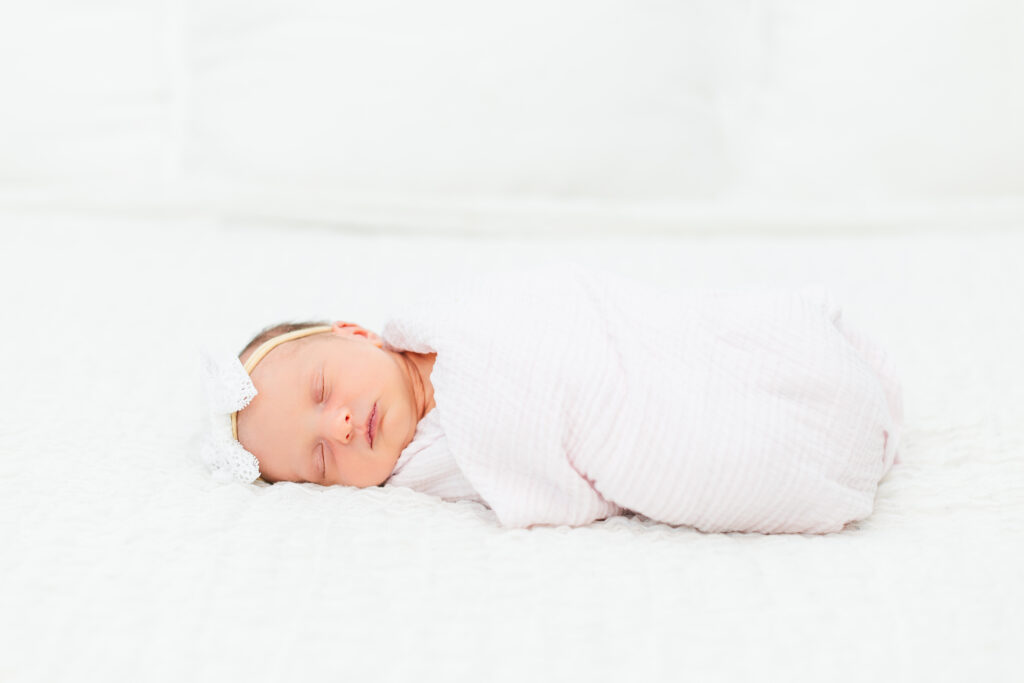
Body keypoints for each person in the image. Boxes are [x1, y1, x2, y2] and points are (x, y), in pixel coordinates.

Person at [203, 264, 903, 533]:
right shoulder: (428, 468)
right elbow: (548, 470)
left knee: (739, 336)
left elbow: (572, 309)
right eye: (322, 458)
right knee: (718, 449)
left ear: (355, 332)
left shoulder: (454, 311)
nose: (344, 424)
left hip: (637, 343)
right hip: (620, 415)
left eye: (325, 390)